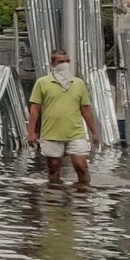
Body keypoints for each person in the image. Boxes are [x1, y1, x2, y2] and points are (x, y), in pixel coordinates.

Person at [28, 49, 100, 189]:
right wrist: (31, 132)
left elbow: (85, 109)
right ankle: (54, 196)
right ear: (53, 64)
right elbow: (35, 109)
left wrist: (94, 132)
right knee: (53, 167)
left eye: (67, 61)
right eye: (61, 61)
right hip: (51, 132)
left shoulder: (78, 83)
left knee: (81, 166)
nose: (65, 64)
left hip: (75, 132)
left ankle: (83, 195)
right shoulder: (42, 83)